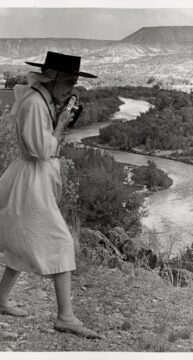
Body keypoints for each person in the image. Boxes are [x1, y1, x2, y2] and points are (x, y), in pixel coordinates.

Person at [0, 51, 101, 339]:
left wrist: (59, 121)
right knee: (61, 241)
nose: (71, 89)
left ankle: (1, 299)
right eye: (68, 82)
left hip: (34, 179)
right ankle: (65, 317)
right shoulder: (34, 104)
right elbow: (40, 151)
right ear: (51, 77)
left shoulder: (41, 101)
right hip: (31, 181)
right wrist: (59, 127)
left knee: (22, 240)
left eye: (73, 83)